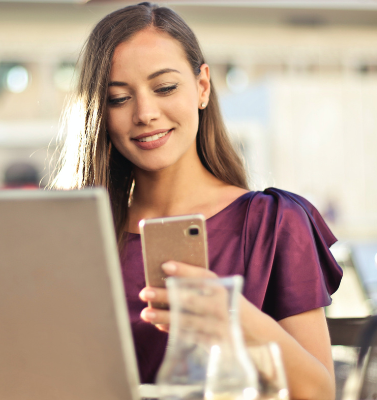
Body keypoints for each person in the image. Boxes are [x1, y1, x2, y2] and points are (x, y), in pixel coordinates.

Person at [50, 3, 342, 399]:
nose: (146, 113)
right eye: (119, 98)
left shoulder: (273, 222)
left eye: (165, 88)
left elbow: (320, 392)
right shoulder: (74, 234)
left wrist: (233, 318)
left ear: (202, 87)